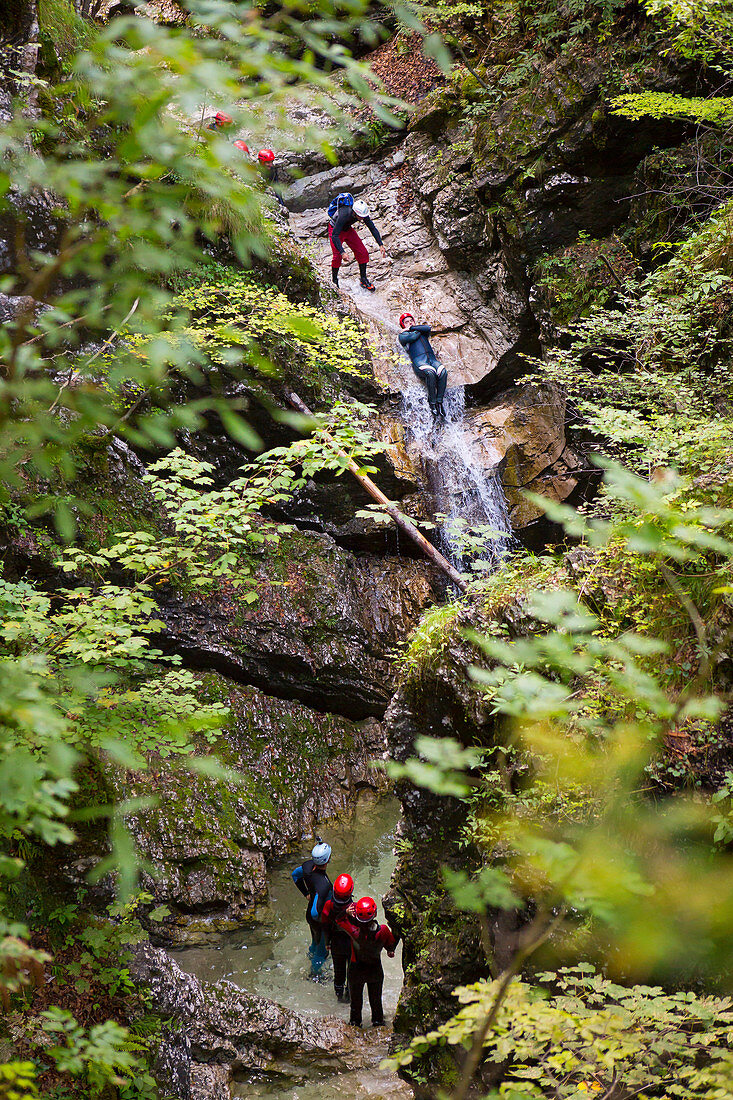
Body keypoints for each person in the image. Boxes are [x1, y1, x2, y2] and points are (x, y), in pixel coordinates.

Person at [335, 895, 398, 1028]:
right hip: (374, 970)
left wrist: (345, 912)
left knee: (356, 1003)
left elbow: (338, 920)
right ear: (374, 914)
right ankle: (378, 1024)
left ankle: (355, 1025)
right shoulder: (383, 931)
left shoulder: (353, 931)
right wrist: (390, 950)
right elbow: (391, 946)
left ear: (356, 915)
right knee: (376, 1002)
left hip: (355, 970)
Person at [327, 193, 387, 293]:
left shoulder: (362, 214)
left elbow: (372, 227)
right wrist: (343, 252)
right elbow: (335, 235)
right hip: (335, 230)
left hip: (347, 229)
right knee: (337, 256)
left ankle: (363, 279)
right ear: (354, 213)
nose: (362, 218)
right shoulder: (344, 214)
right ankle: (334, 280)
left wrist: (380, 244)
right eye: (360, 217)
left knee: (362, 252)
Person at [398, 312, 448, 421]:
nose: (410, 323)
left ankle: (440, 402)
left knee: (443, 372)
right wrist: (410, 330)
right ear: (402, 325)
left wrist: (411, 328)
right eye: (407, 322)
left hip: (432, 360)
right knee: (430, 373)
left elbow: (427, 328)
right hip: (419, 361)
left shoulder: (420, 330)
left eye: (411, 321)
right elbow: (413, 337)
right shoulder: (403, 335)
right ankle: (432, 403)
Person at [291, 839, 332, 971]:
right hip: (318, 919)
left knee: (315, 941)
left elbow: (295, 875)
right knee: (321, 951)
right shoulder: (323, 884)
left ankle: (311, 953)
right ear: (327, 860)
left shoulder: (307, 866)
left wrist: (306, 894)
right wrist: (324, 922)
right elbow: (316, 911)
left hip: (309, 915)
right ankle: (314, 974)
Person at [321, 873, 355, 1003]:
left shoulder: (328, 906)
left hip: (336, 943)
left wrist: (327, 942)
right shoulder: (354, 908)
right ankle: (350, 996)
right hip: (351, 945)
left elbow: (326, 925)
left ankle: (340, 998)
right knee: (351, 972)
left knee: (339, 973)